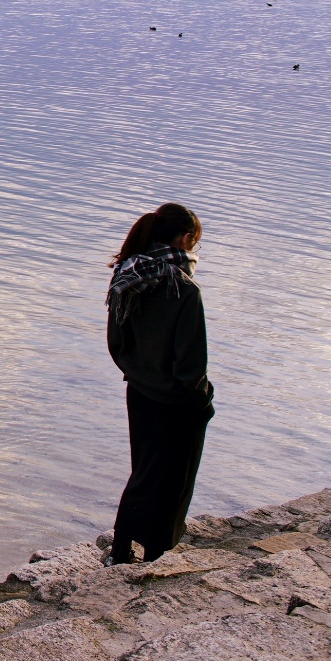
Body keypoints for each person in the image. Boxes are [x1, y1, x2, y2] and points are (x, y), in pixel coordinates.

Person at [104, 202, 212, 564]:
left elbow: (117, 342)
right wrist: (202, 399)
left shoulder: (128, 276)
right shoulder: (183, 289)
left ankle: (120, 550)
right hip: (178, 401)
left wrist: (138, 373)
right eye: (194, 241)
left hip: (139, 392)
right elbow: (190, 362)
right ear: (184, 239)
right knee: (174, 481)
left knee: (145, 472)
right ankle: (154, 553)